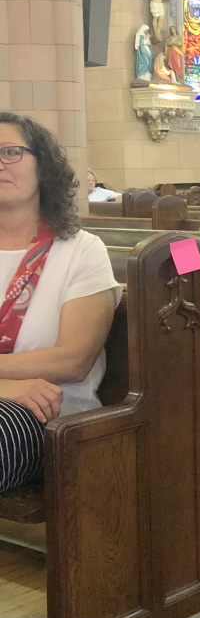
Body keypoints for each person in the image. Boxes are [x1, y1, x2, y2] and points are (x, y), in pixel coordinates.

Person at [0, 114, 120, 494]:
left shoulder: (81, 251)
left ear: (44, 167)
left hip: (49, 416)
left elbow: (72, 360)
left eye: (11, 152)